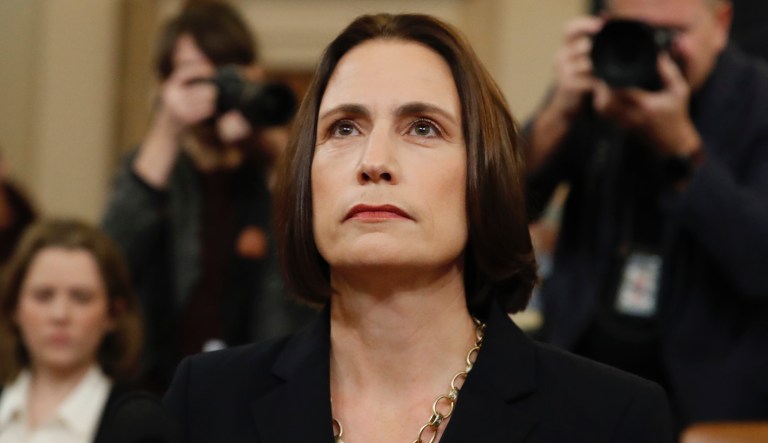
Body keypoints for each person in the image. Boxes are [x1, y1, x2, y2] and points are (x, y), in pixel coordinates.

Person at [163, 13, 673, 442]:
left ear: (482, 177)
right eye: (344, 128)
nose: (374, 161)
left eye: (422, 128)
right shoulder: (206, 401)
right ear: (305, 177)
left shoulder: (611, 419)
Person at [525, 0, 768, 427]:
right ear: (604, 25)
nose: (655, 53)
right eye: (636, 31)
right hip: (580, 373)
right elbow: (507, 208)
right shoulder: (596, 81)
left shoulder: (757, 104)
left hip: (706, 401)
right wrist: (558, 113)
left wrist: (683, 149)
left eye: (672, 35)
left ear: (721, 25)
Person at [101, 2, 314, 392]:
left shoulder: (269, 167)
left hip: (258, 391)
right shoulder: (152, 169)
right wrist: (167, 127)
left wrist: (271, 148)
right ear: (165, 84)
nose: (216, 89)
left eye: (226, 72)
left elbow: (310, 276)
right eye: (198, 76)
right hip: (157, 389)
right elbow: (107, 267)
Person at [0, 219, 176, 443]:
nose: (60, 315)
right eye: (43, 296)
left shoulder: (141, 424)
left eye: (81, 297)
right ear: (14, 308)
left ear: (113, 313)